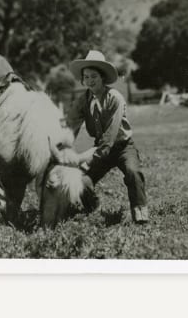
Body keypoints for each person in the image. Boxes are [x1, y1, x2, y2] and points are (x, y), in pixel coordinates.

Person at [64, 50, 150, 224]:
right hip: (101, 148)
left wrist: (85, 159)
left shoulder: (115, 98)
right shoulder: (83, 100)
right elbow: (69, 125)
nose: (89, 81)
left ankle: (141, 217)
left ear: (103, 77)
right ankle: (91, 209)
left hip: (122, 147)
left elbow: (110, 136)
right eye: (86, 77)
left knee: (133, 172)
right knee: (80, 179)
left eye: (94, 76)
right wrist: (63, 150)